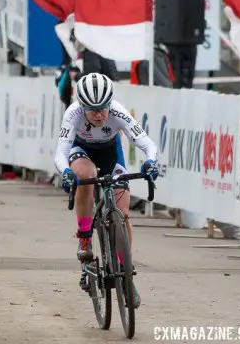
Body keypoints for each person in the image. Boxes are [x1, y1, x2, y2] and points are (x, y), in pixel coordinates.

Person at [54, 73, 159, 309]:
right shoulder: (72, 115)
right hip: (82, 151)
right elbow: (60, 153)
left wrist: (151, 162)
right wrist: (66, 173)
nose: (100, 114)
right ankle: (84, 239)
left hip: (111, 153)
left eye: (104, 108)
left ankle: (125, 272)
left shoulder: (118, 111)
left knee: (123, 210)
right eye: (93, 110)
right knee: (86, 176)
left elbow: (146, 143)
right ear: (82, 107)